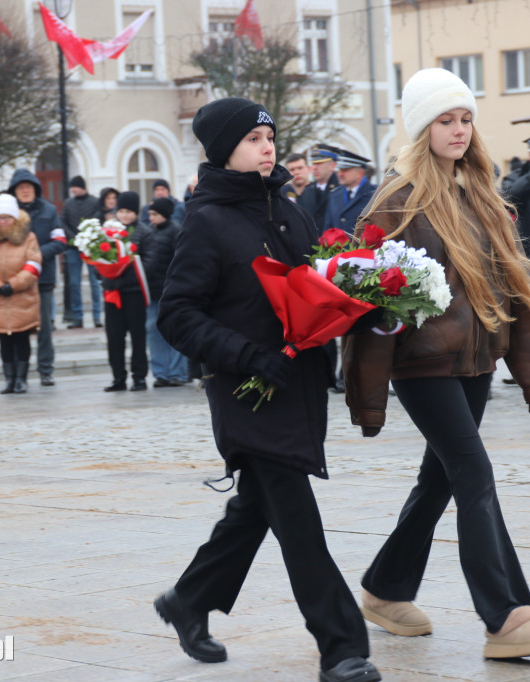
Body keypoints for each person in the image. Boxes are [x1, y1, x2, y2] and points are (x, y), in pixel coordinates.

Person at [344, 68, 530, 661]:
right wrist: (367, 395)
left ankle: (385, 589)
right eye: (446, 119)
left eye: (465, 118)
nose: (459, 129)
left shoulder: (482, 194)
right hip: (422, 365)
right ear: (421, 128)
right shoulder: (396, 202)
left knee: (440, 477)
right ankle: (507, 616)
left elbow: (516, 291)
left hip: (477, 360)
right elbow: (366, 301)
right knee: (473, 472)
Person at [155, 96, 380, 682]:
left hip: (295, 385)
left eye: (270, 136)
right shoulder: (206, 220)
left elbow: (314, 286)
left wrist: (363, 304)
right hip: (248, 389)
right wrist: (247, 354)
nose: (268, 146)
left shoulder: (288, 208)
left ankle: (187, 600)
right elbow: (177, 314)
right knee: (298, 522)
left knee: (256, 508)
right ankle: (342, 647)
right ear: (224, 149)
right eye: (254, 138)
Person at [0, 194, 42, 394]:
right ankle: (9, 379)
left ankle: (21, 379)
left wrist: (14, 284)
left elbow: (34, 263)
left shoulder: (28, 238)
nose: (3, 222)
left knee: (21, 339)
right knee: (4, 340)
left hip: (22, 297)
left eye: (7, 217)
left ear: (15, 218)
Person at [7, 169, 67, 387]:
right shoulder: (8, 213)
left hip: (42, 279)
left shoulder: (49, 210)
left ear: (36, 189)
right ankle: (18, 373)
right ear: (14, 191)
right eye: (21, 188)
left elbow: (60, 240)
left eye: (28, 187)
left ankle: (46, 370)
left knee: (44, 328)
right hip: (15, 279)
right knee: (18, 328)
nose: (25, 191)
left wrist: (38, 255)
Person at [101, 191, 150, 392]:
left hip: (133, 292)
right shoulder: (107, 231)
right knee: (114, 337)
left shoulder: (144, 232)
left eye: (129, 211)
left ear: (136, 213)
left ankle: (139, 377)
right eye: (121, 211)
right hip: (112, 293)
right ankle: (118, 377)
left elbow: (148, 263)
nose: (124, 215)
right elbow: (99, 257)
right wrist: (105, 276)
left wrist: (125, 276)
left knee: (137, 336)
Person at [142, 196, 187, 387]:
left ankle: (178, 373)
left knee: (176, 331)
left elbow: (181, 262)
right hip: (153, 292)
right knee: (153, 332)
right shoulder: (149, 233)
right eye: (150, 214)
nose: (150, 218)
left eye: (154, 214)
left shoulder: (176, 232)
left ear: (165, 214)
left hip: (171, 291)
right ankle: (161, 373)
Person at [61, 176, 103, 329]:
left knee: (94, 282)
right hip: (73, 248)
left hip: (91, 248)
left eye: (75, 187)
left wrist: (87, 238)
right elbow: (63, 222)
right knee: (74, 284)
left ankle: (97, 316)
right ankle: (77, 317)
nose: (72, 190)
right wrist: (74, 238)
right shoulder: (68, 203)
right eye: (72, 187)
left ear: (82, 187)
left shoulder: (94, 202)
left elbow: (97, 220)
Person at [323, 149, 376, 233]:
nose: (340, 174)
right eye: (339, 170)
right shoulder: (334, 195)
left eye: (345, 170)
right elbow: (328, 229)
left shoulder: (374, 194)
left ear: (360, 173)